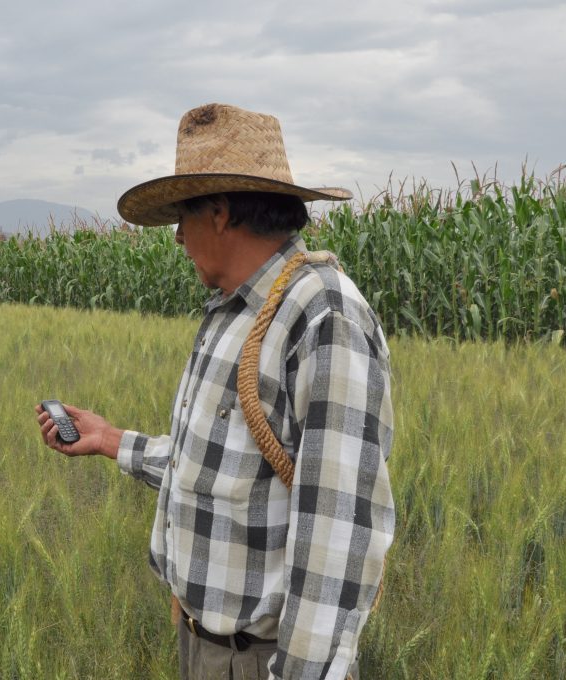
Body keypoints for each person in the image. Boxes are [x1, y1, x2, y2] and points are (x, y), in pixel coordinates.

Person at [37, 103, 394, 680]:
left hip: (259, 663)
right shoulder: (232, 313)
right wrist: (109, 440)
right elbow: (218, 469)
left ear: (221, 213)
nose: (177, 236)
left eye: (184, 216)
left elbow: (338, 530)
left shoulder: (322, 315)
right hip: (204, 649)